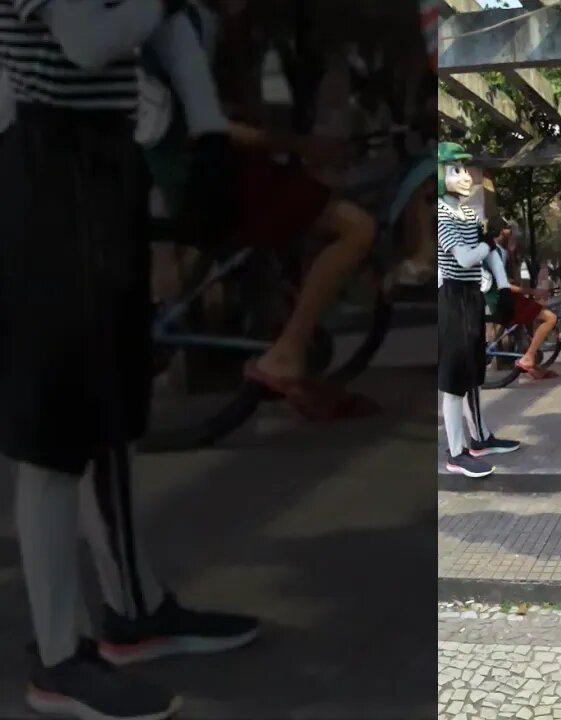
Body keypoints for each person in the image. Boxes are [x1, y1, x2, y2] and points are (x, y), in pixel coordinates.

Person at [0, 1, 260, 718]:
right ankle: (57, 658)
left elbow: (170, 31)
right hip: (45, 170)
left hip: (101, 163)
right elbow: (87, 41)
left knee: (107, 408)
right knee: (51, 433)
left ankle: (135, 611)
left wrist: (208, 135)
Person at [152, 0, 380, 421]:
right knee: (355, 229)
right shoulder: (186, 24)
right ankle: (287, 354)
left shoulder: (205, 22)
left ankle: (296, 359)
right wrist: (296, 143)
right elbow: (203, 122)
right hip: (211, 172)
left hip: (215, 166)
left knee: (303, 233)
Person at [437, 141, 521, 478]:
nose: (465, 176)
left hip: (471, 295)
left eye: (465, 169)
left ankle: (480, 439)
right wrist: (488, 241)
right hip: (452, 297)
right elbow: (465, 257)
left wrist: (503, 289)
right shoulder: (440, 215)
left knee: (472, 373)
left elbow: (489, 255)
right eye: (455, 170)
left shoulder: (467, 213)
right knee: (453, 380)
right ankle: (455, 452)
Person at [482, 217, 559, 380]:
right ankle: (528, 358)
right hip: (503, 300)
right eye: (508, 229)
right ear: (502, 231)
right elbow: (502, 284)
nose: (511, 233)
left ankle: (533, 365)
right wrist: (532, 290)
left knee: (528, 324)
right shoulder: (496, 252)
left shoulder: (495, 250)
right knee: (550, 318)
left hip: (502, 298)